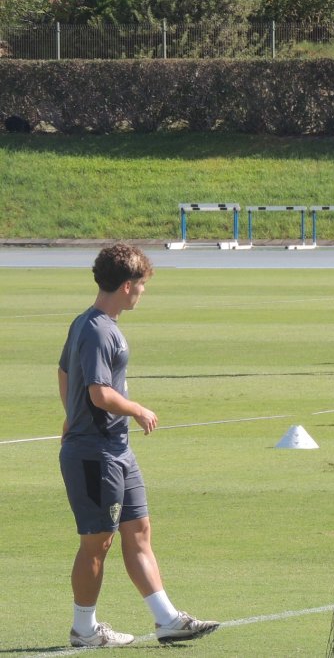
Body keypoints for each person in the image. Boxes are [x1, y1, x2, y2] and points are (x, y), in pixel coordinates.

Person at [58, 244, 219, 648]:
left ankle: (167, 620)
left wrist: (70, 413)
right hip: (95, 454)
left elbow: (63, 373)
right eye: (142, 284)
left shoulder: (91, 323)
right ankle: (84, 630)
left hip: (117, 451)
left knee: (139, 530)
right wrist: (137, 409)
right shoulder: (97, 329)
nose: (144, 291)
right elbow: (99, 393)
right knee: (98, 541)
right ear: (127, 285)